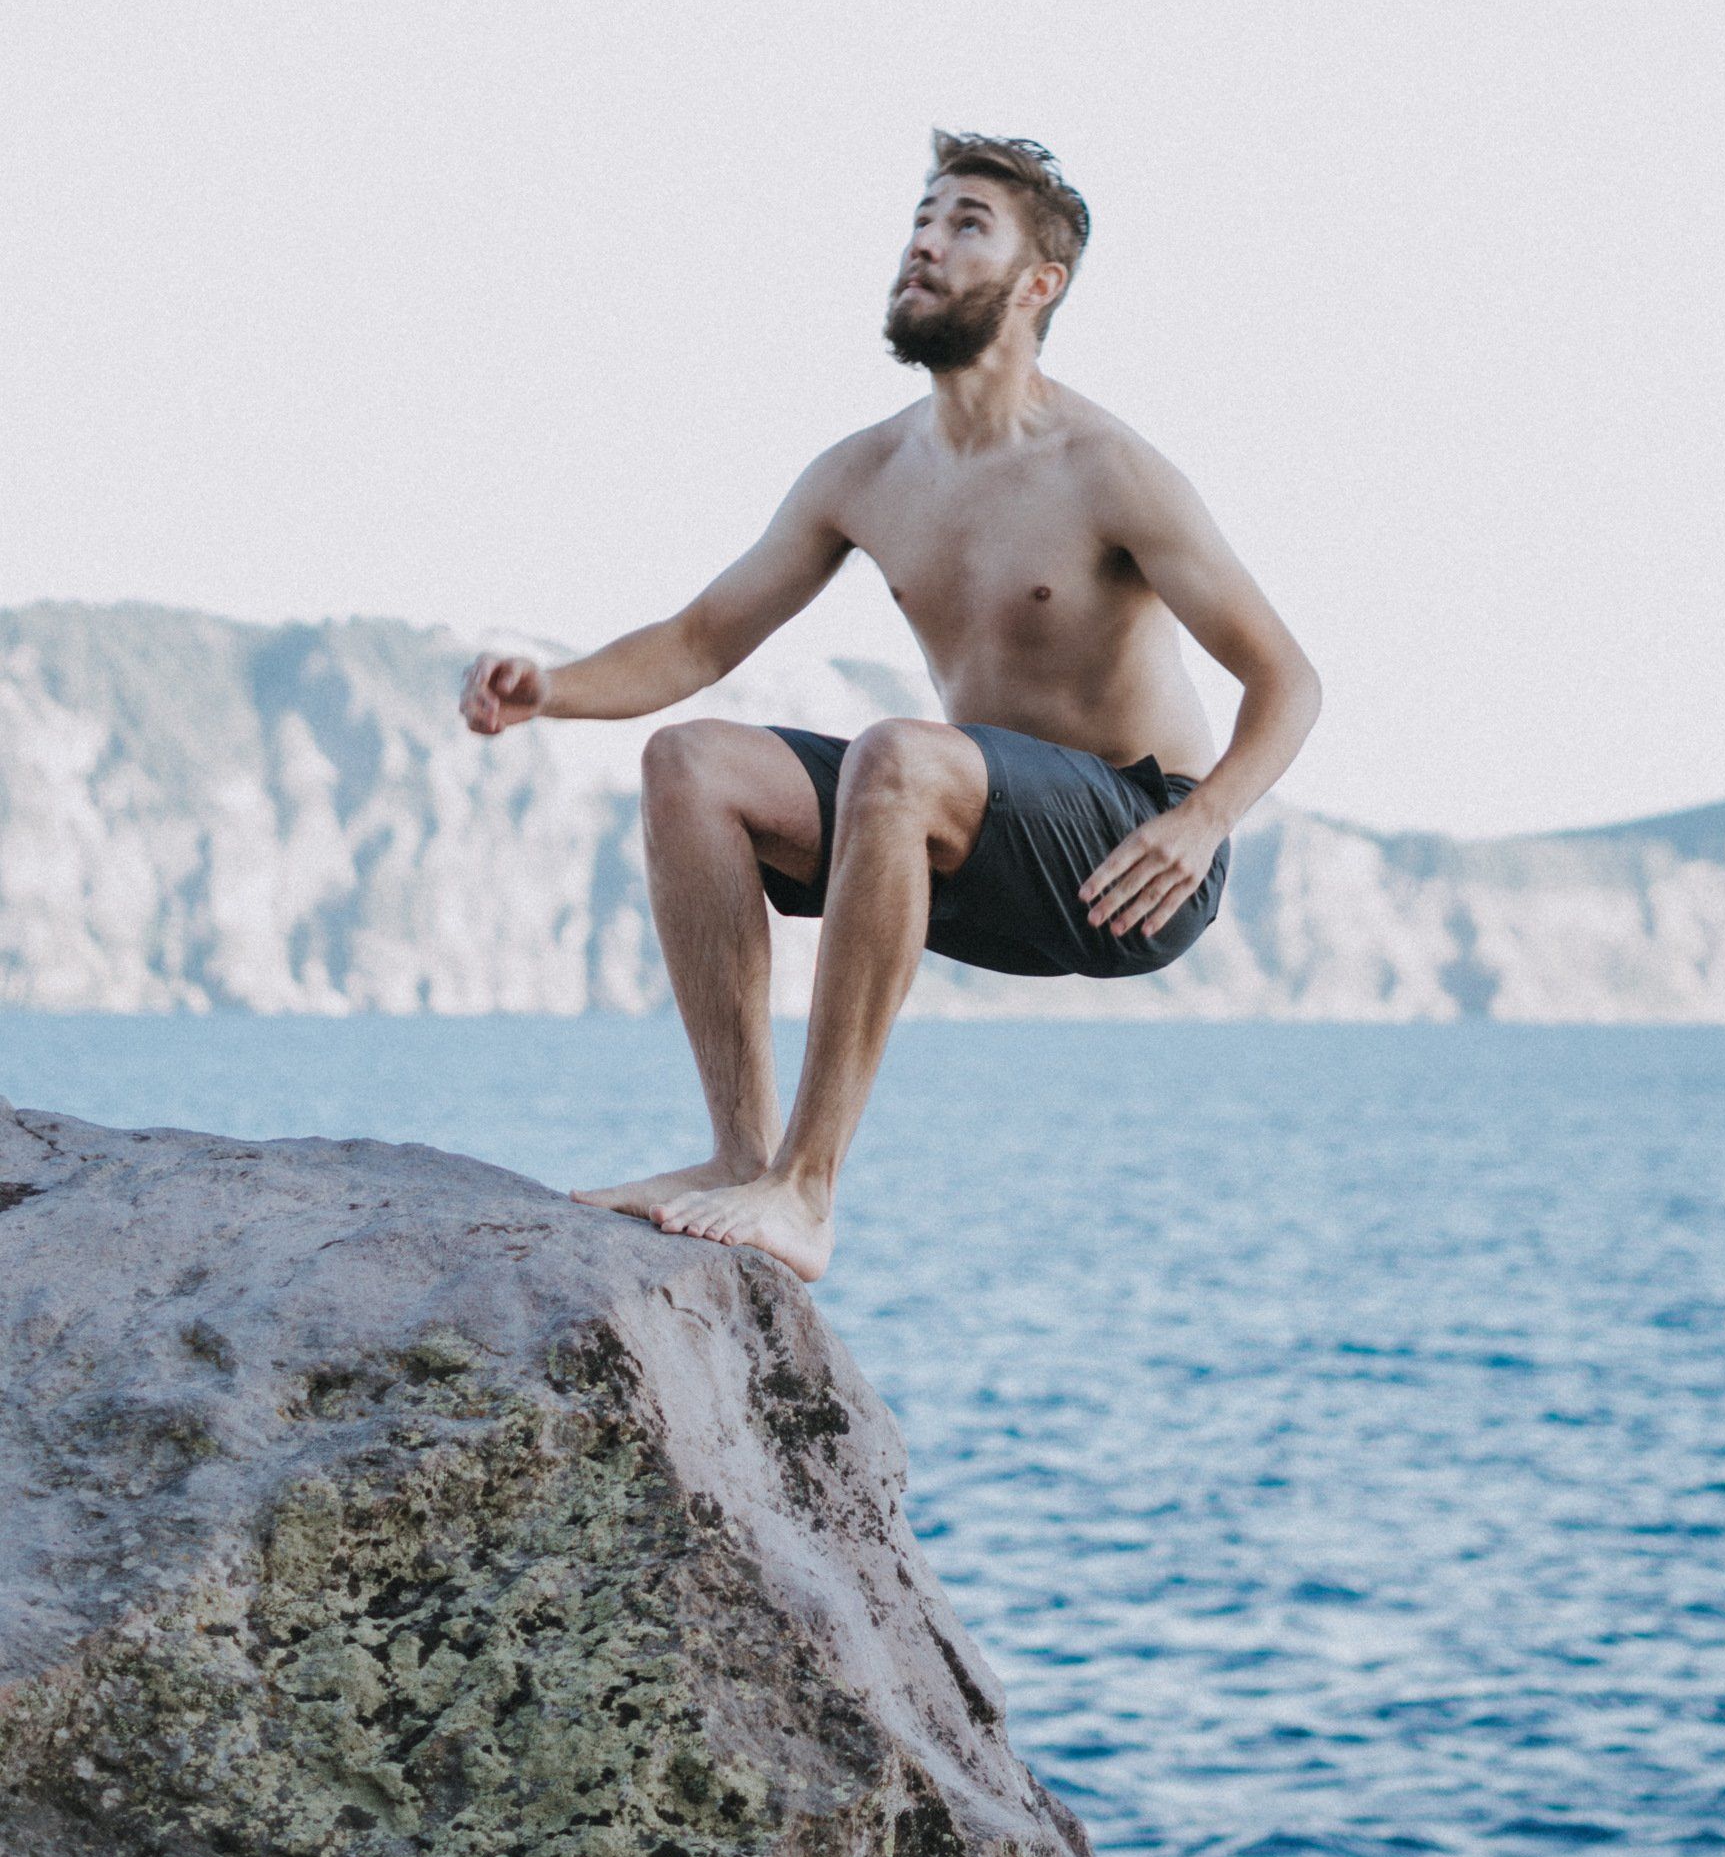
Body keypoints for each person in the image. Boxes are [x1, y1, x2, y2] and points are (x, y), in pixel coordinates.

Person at [460, 134, 1321, 1280]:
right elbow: (699, 640)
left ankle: (809, 1191)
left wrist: (1205, 817)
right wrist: (552, 690)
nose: (924, 238)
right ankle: (741, 1158)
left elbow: (1288, 678)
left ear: (1037, 283)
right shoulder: (864, 473)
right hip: (959, 837)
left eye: (967, 222)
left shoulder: (1109, 468)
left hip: (1132, 855)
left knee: (902, 754)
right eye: (922, 215)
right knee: (692, 763)